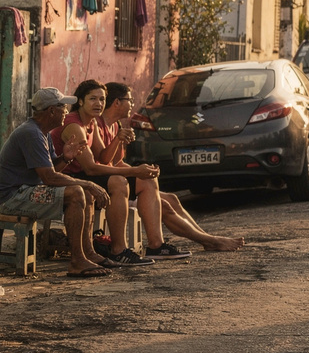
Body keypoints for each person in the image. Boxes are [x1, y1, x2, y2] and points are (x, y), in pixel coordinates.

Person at [99, 82, 245, 252]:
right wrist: (135, 171)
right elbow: (102, 163)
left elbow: (116, 162)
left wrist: (142, 168)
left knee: (172, 199)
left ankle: (207, 239)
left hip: (117, 178)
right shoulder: (99, 124)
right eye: (129, 100)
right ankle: (194, 242)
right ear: (117, 102)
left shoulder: (116, 125)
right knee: (163, 203)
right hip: (110, 184)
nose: (132, 104)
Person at [0, 88, 112, 278]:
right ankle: (77, 260)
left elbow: (50, 172)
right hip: (13, 198)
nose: (66, 111)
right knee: (77, 192)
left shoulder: (42, 132)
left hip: (28, 191)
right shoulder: (31, 133)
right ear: (51, 111)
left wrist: (65, 158)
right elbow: (49, 178)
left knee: (84, 194)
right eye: (63, 107)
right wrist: (87, 183)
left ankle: (88, 253)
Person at [51, 79, 163, 267]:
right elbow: (90, 168)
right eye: (93, 99)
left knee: (146, 182)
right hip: (65, 177)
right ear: (80, 102)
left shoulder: (91, 123)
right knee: (119, 182)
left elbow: (103, 158)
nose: (99, 104)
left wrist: (118, 139)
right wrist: (135, 170)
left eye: (102, 99)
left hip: (82, 175)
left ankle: (156, 245)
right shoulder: (74, 125)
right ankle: (118, 250)